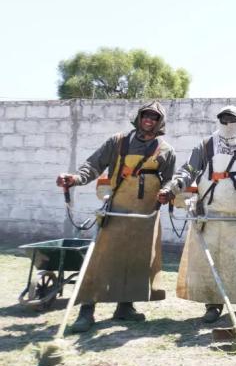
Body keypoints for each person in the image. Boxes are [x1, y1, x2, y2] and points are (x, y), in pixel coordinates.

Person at [56, 102, 176, 332]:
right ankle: (86, 311)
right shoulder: (118, 142)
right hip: (116, 211)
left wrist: (167, 191)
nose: (149, 119)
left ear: (160, 122)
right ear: (139, 118)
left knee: (135, 262)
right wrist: (75, 179)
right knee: (99, 261)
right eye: (146, 115)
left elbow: (170, 179)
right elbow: (92, 165)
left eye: (154, 117)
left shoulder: (166, 150)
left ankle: (125, 308)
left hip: (145, 216)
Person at [161, 105, 236, 323]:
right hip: (211, 214)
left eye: (233, 120)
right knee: (212, 262)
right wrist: (173, 187)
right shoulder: (205, 146)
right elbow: (189, 171)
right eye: (224, 120)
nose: (228, 124)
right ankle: (213, 304)